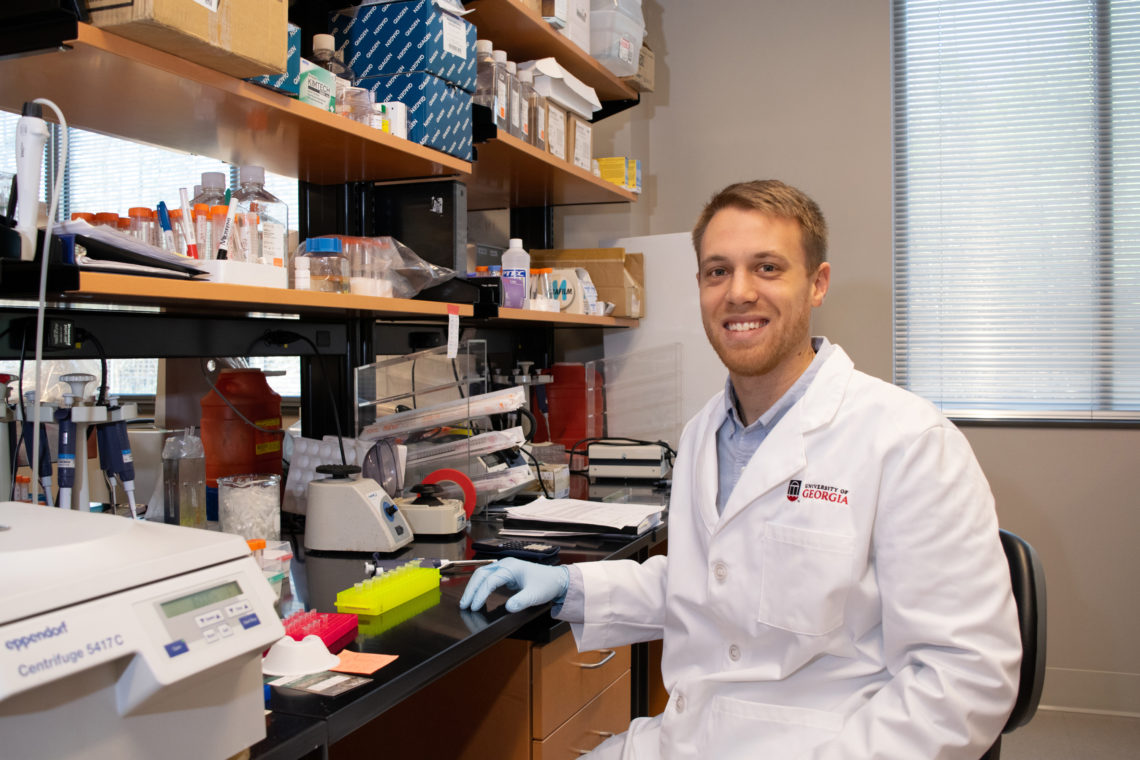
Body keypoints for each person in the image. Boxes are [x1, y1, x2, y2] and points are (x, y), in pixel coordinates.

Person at [460, 180, 1021, 759]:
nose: (739, 292)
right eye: (717, 271)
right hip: (684, 740)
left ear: (818, 284)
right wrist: (572, 586)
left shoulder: (907, 441)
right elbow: (714, 584)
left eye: (769, 268)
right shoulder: (706, 431)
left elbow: (965, 677)